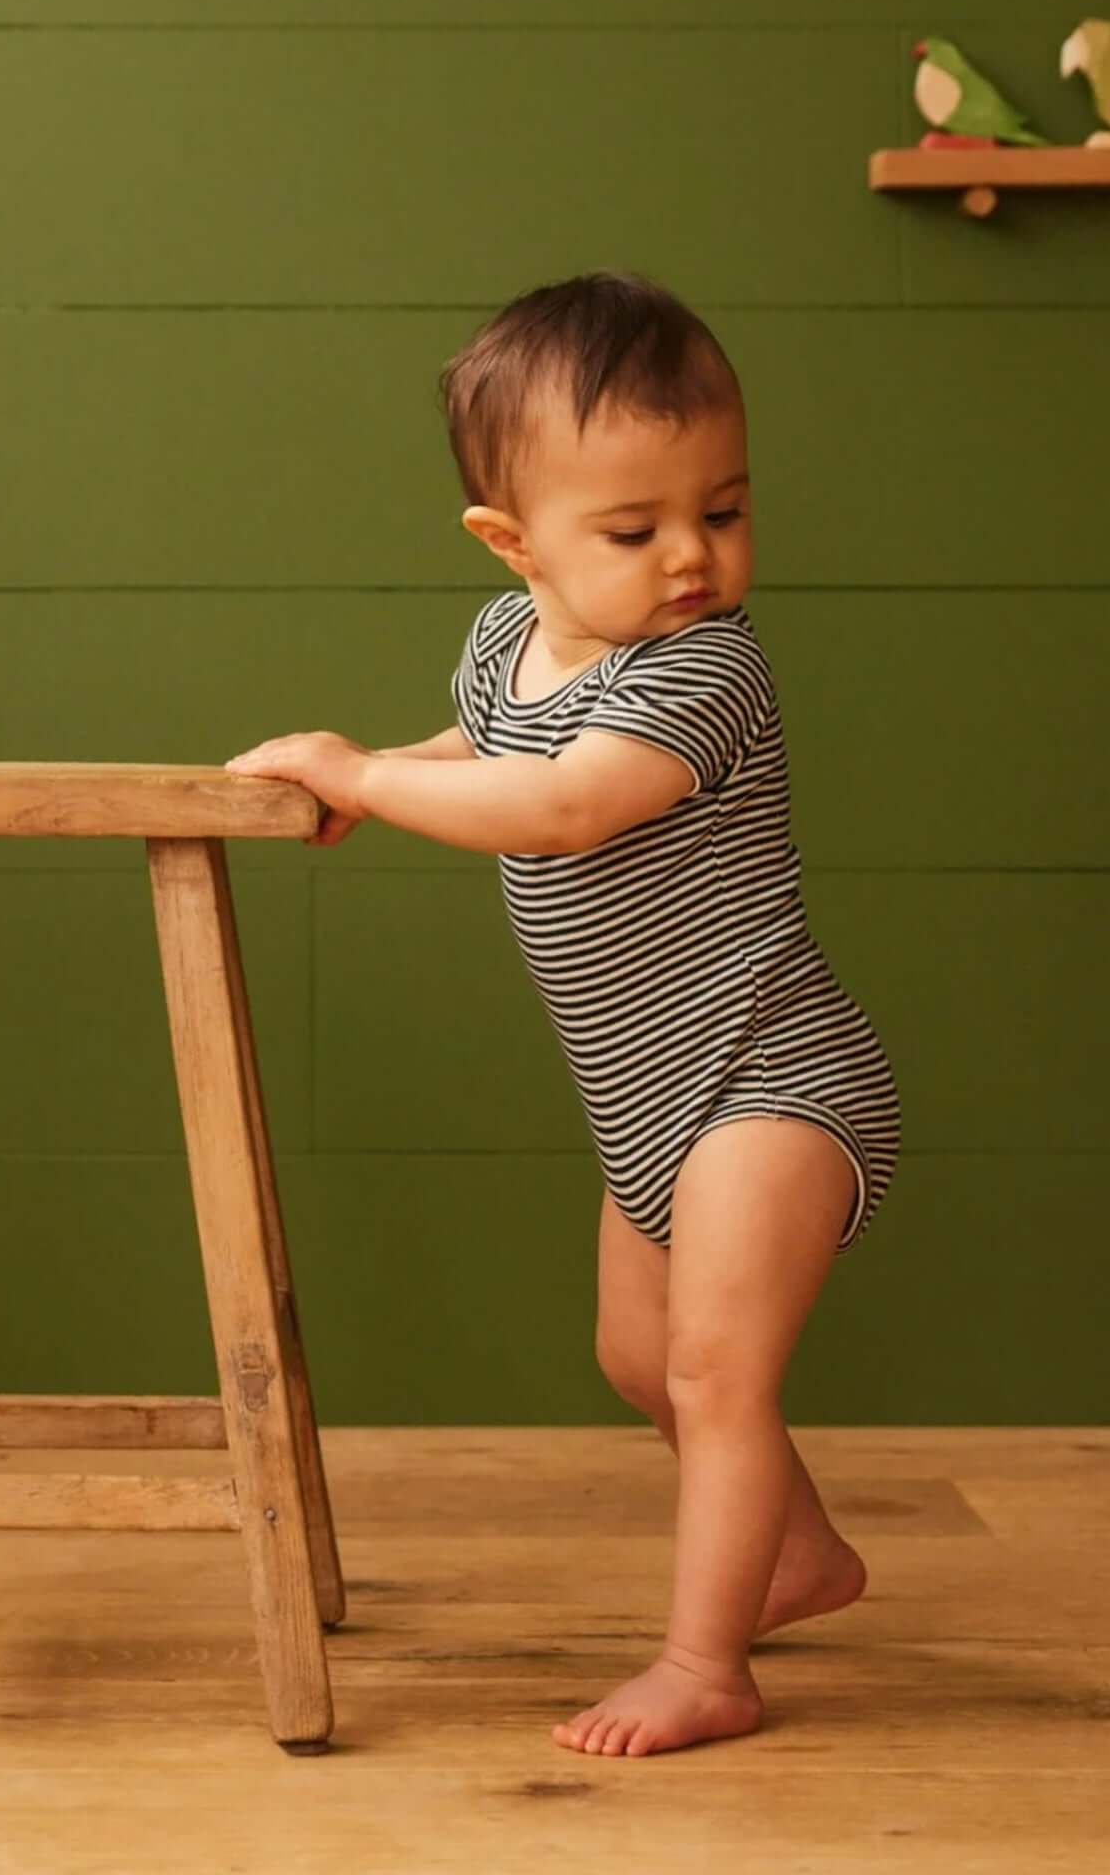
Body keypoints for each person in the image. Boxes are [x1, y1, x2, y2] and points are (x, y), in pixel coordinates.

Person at [223, 268, 902, 1759]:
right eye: (636, 528)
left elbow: (563, 805)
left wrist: (366, 778)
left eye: (722, 514)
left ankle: (704, 1660)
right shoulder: (501, 643)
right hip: (647, 1100)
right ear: (512, 544)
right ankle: (799, 1556)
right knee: (635, 1359)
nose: (690, 559)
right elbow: (484, 742)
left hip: (769, 1077)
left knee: (720, 1371)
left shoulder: (708, 668)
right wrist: (380, 776)